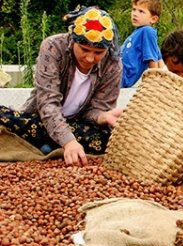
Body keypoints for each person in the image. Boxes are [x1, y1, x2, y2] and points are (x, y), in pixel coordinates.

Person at [0, 6, 122, 166]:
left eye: (98, 52)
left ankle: (44, 144)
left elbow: (95, 110)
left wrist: (103, 117)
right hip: (40, 119)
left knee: (106, 138)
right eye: (84, 49)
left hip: (79, 126)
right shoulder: (53, 48)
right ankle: (55, 144)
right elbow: (48, 103)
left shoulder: (113, 65)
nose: (90, 58)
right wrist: (68, 141)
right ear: (72, 40)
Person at [121, 0, 164, 88]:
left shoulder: (147, 31)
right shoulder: (138, 32)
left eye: (141, 11)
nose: (135, 14)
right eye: (134, 9)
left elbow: (152, 59)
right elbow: (159, 59)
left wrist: (155, 83)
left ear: (153, 19)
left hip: (122, 76)